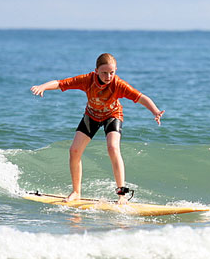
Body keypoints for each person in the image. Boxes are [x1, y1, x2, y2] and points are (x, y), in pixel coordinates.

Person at [31, 53, 164, 204]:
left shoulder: (118, 84)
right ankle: (76, 192)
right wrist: (43, 87)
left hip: (112, 116)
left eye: (112, 73)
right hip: (92, 115)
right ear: (96, 71)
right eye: (104, 73)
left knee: (113, 148)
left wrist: (155, 111)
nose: (108, 76)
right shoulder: (87, 80)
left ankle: (122, 195)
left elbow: (141, 97)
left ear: (116, 71)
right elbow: (61, 83)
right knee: (74, 151)